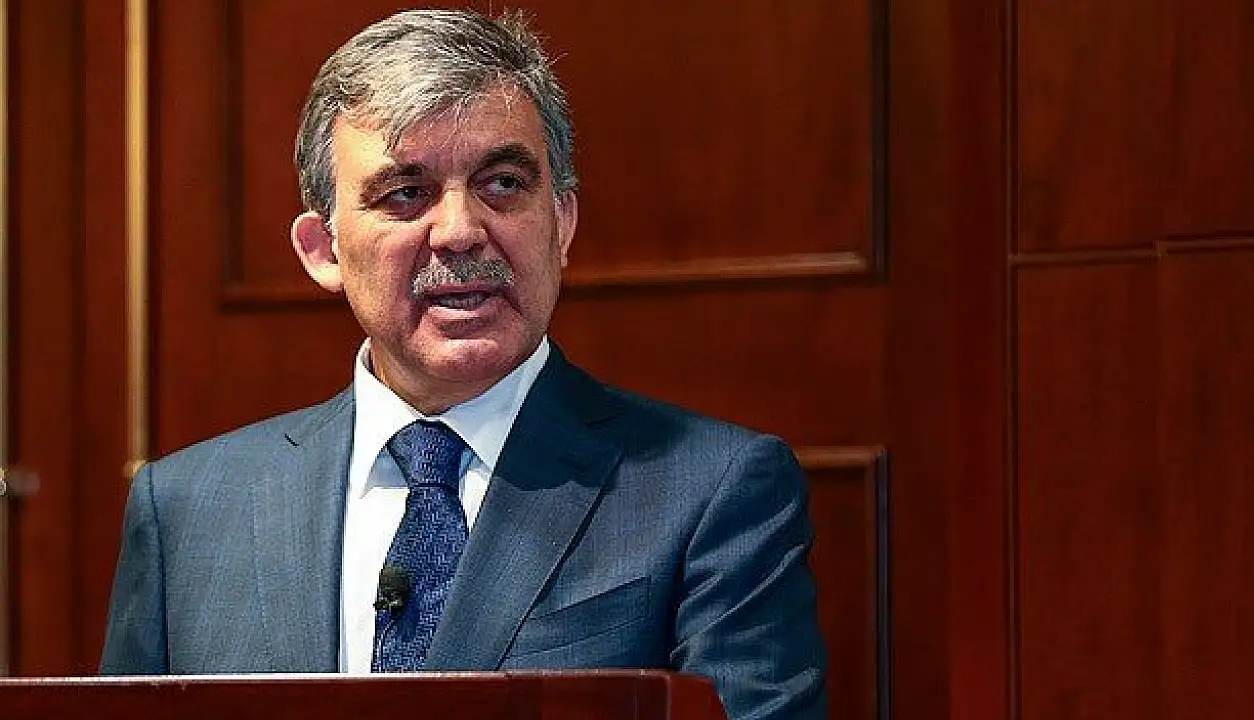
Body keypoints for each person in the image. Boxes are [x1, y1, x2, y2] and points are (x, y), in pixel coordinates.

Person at [100, 9, 826, 719]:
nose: (459, 231)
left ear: (561, 224)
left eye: (502, 183)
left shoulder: (712, 490)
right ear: (323, 250)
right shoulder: (188, 508)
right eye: (406, 194)